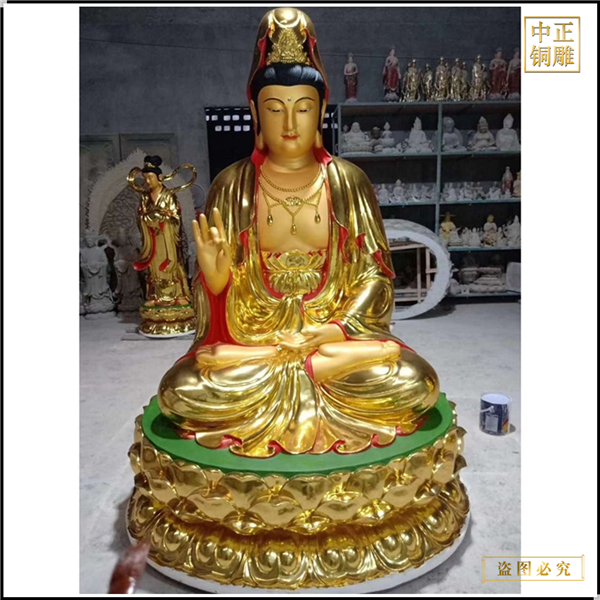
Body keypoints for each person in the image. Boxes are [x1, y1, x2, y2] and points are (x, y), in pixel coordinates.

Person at [157, 7, 439, 458]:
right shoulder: (231, 185)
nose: (290, 124)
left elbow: (375, 278)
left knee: (414, 381)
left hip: (332, 340)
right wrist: (215, 281)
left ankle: (304, 366)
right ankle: (296, 367)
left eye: (303, 108)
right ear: (255, 112)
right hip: (257, 340)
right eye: (275, 109)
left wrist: (332, 331)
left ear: (322, 110)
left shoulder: (347, 182)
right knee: (181, 390)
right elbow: (216, 311)